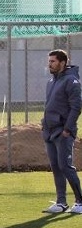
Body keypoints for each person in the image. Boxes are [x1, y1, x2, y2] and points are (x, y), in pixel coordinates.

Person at [41, 49, 82, 214]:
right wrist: (44, 125)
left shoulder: (72, 81)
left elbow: (76, 107)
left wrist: (67, 129)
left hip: (63, 132)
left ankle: (80, 202)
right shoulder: (51, 81)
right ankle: (61, 203)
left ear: (62, 63)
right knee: (56, 167)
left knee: (65, 166)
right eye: (49, 61)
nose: (49, 64)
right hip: (49, 131)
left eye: (53, 61)